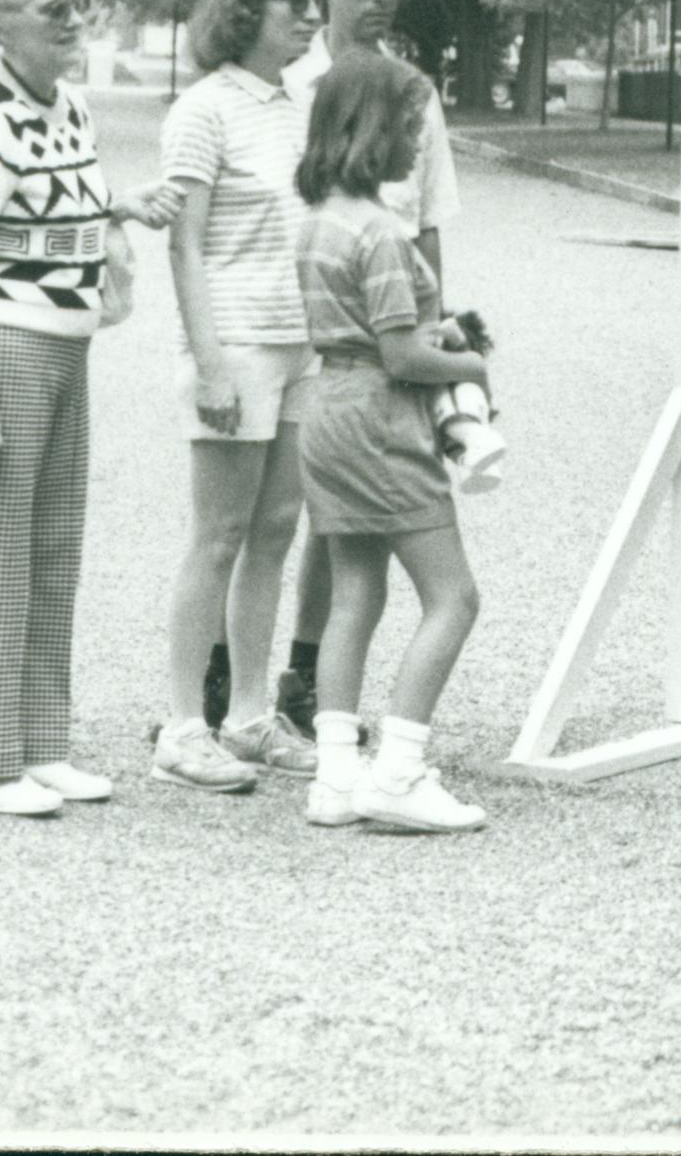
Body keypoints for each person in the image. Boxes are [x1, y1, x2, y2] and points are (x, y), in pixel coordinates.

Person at [0, 0, 172, 814]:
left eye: (81, 3)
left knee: (52, 548)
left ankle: (38, 743)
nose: (77, 21)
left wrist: (124, 205)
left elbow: (65, 202)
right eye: (55, 9)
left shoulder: (65, 108)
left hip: (64, 347)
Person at [249, 0, 462, 735]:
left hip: (386, 333)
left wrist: (440, 350)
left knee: (344, 526)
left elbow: (430, 223)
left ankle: (304, 684)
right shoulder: (286, 82)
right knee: (265, 519)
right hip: (293, 318)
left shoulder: (413, 92)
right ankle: (227, 686)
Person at [291, 50, 493, 832]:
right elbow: (401, 356)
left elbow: (362, 330)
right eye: (411, 125)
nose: (419, 141)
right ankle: (400, 769)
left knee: (354, 596)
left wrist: (420, 330)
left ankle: (336, 775)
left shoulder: (318, 223)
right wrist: (471, 359)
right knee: (453, 597)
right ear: (374, 129)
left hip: (328, 413)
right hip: (383, 418)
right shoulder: (380, 231)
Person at [152, 0, 326, 794]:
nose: (309, 14)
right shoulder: (203, 110)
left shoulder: (301, 105)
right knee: (218, 534)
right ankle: (185, 725)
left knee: (275, 531)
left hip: (302, 346)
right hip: (236, 344)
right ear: (244, 5)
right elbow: (183, 249)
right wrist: (209, 363)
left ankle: (252, 716)